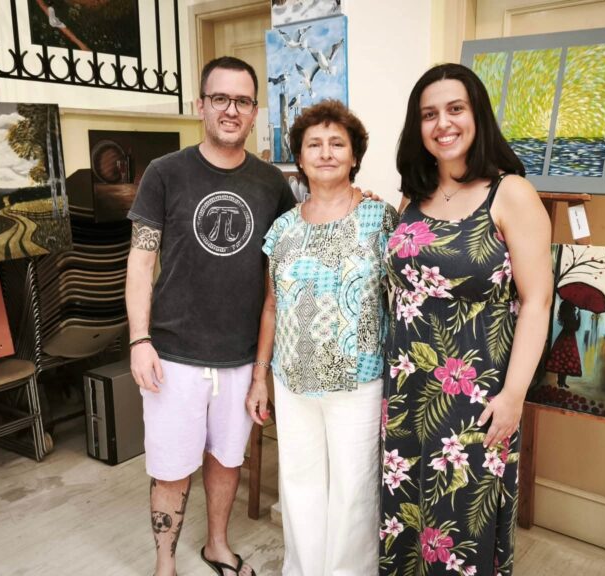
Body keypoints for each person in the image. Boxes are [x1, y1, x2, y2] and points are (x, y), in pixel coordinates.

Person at [379, 63, 553, 575]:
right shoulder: (414, 193)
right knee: (407, 520)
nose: (443, 124)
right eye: (429, 114)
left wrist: (514, 396)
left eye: (455, 109)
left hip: (475, 396)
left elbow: (538, 302)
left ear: (477, 115)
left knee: (459, 527)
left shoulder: (511, 193)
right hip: (408, 390)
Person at [126, 56, 295, 576]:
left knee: (227, 459)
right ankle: (164, 562)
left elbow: (293, 254)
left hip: (240, 356)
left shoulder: (272, 183)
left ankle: (217, 544)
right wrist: (139, 340)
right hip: (173, 354)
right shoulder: (165, 173)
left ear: (254, 112)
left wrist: (359, 202)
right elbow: (141, 260)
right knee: (171, 466)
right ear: (201, 105)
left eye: (242, 101)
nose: (231, 110)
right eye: (220, 98)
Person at [246, 100, 397, 576]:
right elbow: (272, 306)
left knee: (354, 491)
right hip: (293, 379)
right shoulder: (283, 228)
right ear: (300, 157)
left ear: (355, 156)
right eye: (314, 144)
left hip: (360, 380)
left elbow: (400, 300)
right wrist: (260, 377)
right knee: (299, 484)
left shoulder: (381, 218)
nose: (326, 153)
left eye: (337, 144)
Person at [545, 300, 582, 388]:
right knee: (565, 361)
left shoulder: (566, 315)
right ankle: (561, 382)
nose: (574, 309)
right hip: (569, 340)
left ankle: (561, 382)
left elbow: (573, 327)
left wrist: (577, 316)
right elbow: (575, 327)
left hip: (564, 338)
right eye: (573, 307)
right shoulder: (570, 316)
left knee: (563, 361)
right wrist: (579, 317)